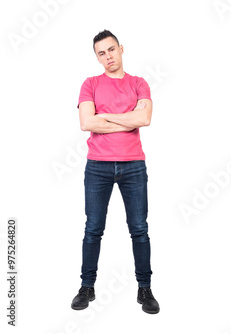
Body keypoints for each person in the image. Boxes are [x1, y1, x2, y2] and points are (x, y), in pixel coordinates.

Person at [71, 29, 159, 314]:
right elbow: (86, 123)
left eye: (111, 50)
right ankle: (87, 286)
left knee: (139, 229)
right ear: (97, 57)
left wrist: (104, 115)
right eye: (101, 53)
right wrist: (127, 120)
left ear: (121, 49)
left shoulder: (139, 83)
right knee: (93, 229)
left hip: (133, 165)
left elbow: (144, 117)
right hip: (98, 166)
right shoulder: (90, 84)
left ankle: (144, 289)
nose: (108, 56)